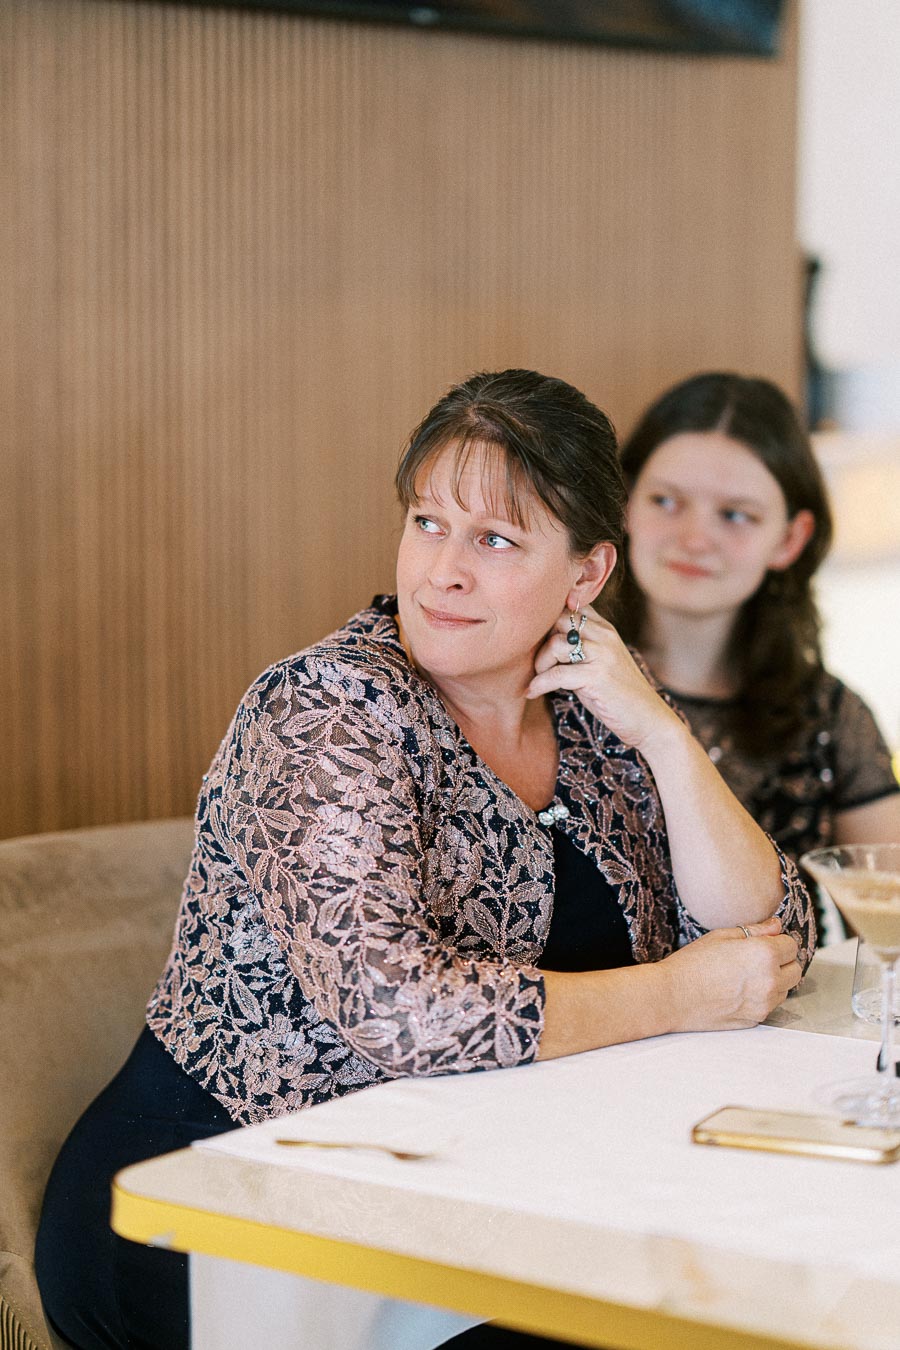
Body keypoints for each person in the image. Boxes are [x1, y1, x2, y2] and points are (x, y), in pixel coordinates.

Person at [37, 369, 814, 1350]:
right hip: (225, 1207)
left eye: (494, 541)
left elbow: (763, 928)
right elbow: (402, 1012)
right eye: (428, 523)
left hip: (462, 1189)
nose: (444, 571)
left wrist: (664, 735)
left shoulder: (595, 700)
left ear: (585, 577)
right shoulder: (325, 711)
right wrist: (681, 994)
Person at [617, 371, 900, 939]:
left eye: (736, 514)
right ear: (622, 505)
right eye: (666, 501)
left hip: (783, 1023)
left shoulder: (830, 717)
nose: (694, 539)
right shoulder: (548, 682)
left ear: (789, 540)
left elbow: (892, 925)